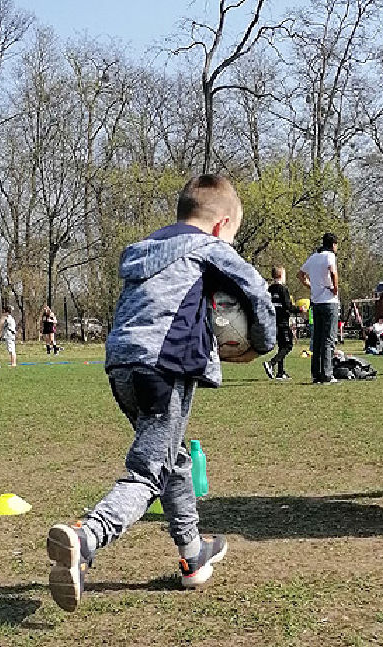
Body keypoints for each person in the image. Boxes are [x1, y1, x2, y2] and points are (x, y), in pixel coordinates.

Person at [45, 174, 276, 612]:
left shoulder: (146, 250)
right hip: (165, 366)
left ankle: (192, 555)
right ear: (219, 225)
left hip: (121, 365)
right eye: (232, 235)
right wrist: (262, 344)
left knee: (172, 458)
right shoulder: (209, 248)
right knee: (148, 471)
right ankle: (84, 538)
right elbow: (255, 290)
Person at [298, 233, 341, 384]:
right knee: (329, 339)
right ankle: (327, 374)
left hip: (316, 302)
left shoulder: (313, 257)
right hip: (329, 301)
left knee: (317, 340)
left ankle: (316, 374)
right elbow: (333, 272)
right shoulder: (329, 256)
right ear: (333, 244)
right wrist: (335, 288)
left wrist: (310, 286)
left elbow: (301, 274)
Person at [263, 266, 297, 380]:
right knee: (288, 345)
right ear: (281, 275)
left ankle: (280, 372)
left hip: (273, 322)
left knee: (281, 346)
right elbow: (288, 307)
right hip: (283, 322)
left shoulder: (269, 289)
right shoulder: (283, 289)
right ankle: (271, 363)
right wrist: (300, 309)